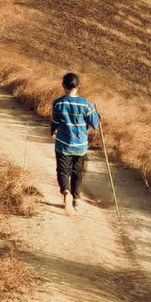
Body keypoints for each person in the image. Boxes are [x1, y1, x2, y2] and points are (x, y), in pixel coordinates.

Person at [50, 72, 100, 216]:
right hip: (81, 146)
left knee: (62, 171)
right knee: (77, 173)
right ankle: (76, 199)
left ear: (63, 86)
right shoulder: (86, 104)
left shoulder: (58, 103)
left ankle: (66, 192)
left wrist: (52, 131)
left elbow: (54, 121)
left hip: (63, 145)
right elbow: (95, 124)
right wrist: (98, 116)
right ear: (79, 87)